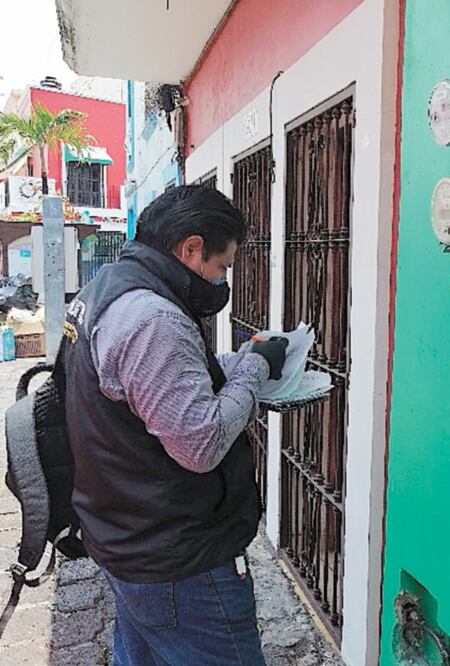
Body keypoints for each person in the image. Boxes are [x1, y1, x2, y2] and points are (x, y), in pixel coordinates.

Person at [62, 185, 287, 665]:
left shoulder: (106, 288)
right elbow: (200, 444)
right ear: (190, 248)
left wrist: (233, 362)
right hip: (176, 560)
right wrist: (256, 370)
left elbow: (145, 388)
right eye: (222, 266)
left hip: (125, 536)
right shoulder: (153, 318)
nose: (223, 280)